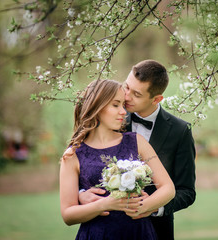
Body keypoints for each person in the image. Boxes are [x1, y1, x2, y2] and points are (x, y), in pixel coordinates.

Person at [79, 60, 196, 240]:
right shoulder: (111, 117)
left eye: (136, 94)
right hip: (106, 228)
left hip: (157, 229)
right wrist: (81, 194)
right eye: (127, 87)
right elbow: (86, 160)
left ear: (156, 99)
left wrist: (153, 207)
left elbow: (187, 191)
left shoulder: (180, 132)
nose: (126, 97)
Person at [59, 79, 175, 240]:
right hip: (97, 235)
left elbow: (168, 187)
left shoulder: (137, 141)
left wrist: (143, 206)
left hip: (139, 234)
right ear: (97, 106)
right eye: (116, 105)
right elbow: (67, 215)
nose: (123, 112)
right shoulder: (72, 155)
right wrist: (105, 204)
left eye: (123, 105)